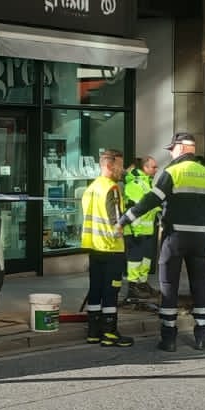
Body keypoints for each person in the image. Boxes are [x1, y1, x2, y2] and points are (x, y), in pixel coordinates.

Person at [120, 132, 205, 352]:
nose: (170, 152)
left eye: (171, 149)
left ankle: (169, 338)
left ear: (181, 148)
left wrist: (125, 219)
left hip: (174, 237)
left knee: (169, 288)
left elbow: (151, 200)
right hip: (201, 240)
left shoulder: (172, 172)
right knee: (201, 287)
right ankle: (203, 337)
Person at [81, 149, 132, 347]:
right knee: (111, 292)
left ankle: (93, 332)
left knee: (95, 290)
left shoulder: (91, 188)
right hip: (112, 248)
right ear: (109, 166)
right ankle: (110, 332)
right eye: (120, 165)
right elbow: (116, 220)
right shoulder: (111, 188)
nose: (123, 170)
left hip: (94, 247)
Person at [122, 156, 160, 299]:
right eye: (153, 167)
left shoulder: (146, 182)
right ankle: (132, 288)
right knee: (135, 259)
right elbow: (136, 209)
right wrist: (136, 231)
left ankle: (142, 283)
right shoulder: (136, 184)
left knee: (146, 259)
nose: (156, 170)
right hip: (136, 230)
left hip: (147, 229)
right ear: (144, 168)